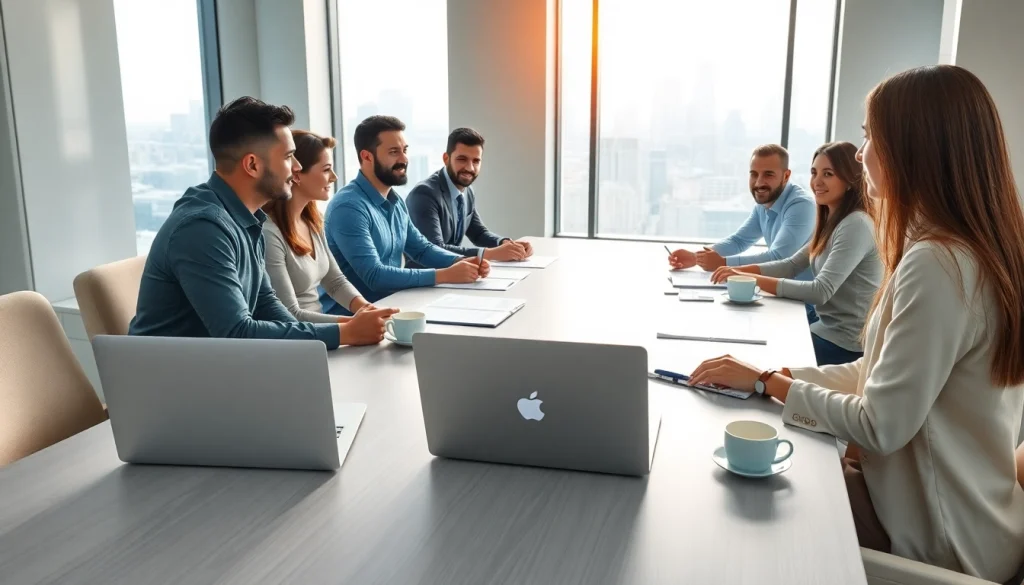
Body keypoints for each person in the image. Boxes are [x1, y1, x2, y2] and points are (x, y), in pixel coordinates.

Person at [689, 65, 1024, 582]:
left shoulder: (938, 264)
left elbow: (879, 425)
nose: (862, 153)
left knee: (739, 508)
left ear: (913, 147)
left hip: (943, 543)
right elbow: (878, 373)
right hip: (973, 520)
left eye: (870, 136)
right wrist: (774, 377)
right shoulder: (975, 250)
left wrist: (767, 385)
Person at [129, 97, 394, 348]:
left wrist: (343, 331)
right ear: (253, 165)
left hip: (218, 369)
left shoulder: (248, 218)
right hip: (171, 382)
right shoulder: (202, 228)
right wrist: (343, 333)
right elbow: (236, 332)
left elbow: (266, 303)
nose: (298, 167)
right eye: (289, 156)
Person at [709, 142, 881, 366]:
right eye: (814, 172)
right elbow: (790, 265)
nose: (817, 182)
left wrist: (752, 278)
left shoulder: (856, 224)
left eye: (828, 174)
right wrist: (736, 271)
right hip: (824, 329)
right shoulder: (832, 220)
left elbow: (821, 291)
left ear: (849, 179)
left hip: (845, 345)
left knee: (758, 358)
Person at [322, 115, 489, 311]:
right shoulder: (348, 207)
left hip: (393, 307)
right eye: (394, 152)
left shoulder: (395, 200)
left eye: (405, 150)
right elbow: (374, 276)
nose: (404, 159)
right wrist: (445, 274)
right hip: (354, 323)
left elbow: (421, 248)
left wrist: (460, 262)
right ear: (367, 156)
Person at [262, 129, 384, 323]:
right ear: (297, 174)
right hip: (299, 340)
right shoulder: (269, 234)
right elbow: (289, 314)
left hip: (323, 332)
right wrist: (354, 325)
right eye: (326, 169)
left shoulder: (312, 220)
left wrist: (369, 310)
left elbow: (335, 282)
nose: (334, 177)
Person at [669, 144, 816, 279]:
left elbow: (779, 257)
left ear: (786, 176)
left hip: (806, 302)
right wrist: (696, 258)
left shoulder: (802, 206)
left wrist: (723, 263)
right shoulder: (764, 202)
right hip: (783, 291)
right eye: (754, 174)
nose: (758, 182)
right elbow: (739, 241)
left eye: (768, 174)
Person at [406, 127, 533, 264]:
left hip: (455, 275)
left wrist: (507, 244)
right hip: (426, 279)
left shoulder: (468, 191)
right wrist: (488, 254)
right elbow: (435, 249)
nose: (470, 168)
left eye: (476, 161)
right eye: (462, 159)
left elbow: (478, 233)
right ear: (446, 158)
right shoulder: (424, 194)